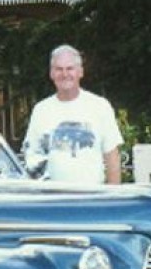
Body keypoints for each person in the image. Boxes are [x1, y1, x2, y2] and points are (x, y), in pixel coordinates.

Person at [22, 44, 123, 184]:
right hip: (51, 200)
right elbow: (31, 157)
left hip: (92, 199)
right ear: (51, 73)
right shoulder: (41, 111)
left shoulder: (100, 107)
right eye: (59, 69)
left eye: (70, 68)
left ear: (80, 72)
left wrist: (114, 199)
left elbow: (112, 158)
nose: (64, 74)